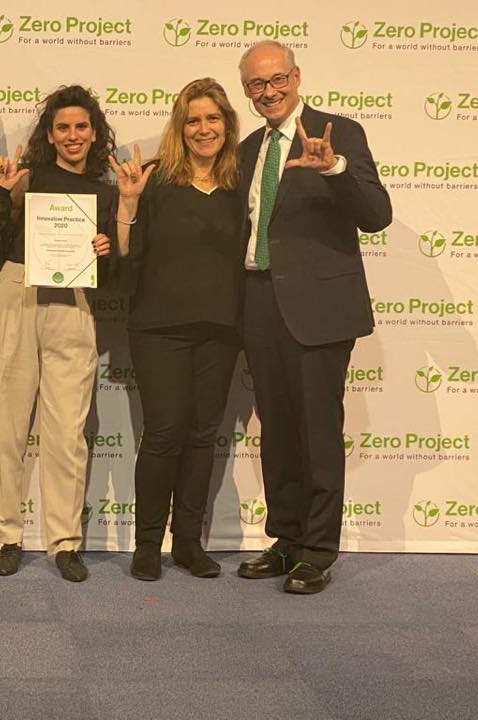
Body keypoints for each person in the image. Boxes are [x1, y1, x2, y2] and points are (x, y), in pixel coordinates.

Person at [235, 41, 391, 594]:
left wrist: (336, 169)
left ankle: (317, 552)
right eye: (256, 84)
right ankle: (287, 539)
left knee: (317, 431)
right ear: (247, 90)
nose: (268, 91)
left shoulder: (337, 133)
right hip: (259, 301)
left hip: (319, 310)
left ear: (297, 76)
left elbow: (376, 215)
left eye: (277, 79)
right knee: (276, 430)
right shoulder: (250, 146)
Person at [0, 85, 119, 582]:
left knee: (67, 433)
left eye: (81, 126)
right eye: (63, 127)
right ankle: (8, 536)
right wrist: (0, 192)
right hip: (16, 290)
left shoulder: (108, 190)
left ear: (94, 132)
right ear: (50, 134)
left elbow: (119, 272)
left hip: (73, 303)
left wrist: (107, 248)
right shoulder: (27, 178)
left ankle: (64, 542)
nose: (73, 135)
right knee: (7, 427)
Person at [110, 78, 243, 582]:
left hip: (222, 329)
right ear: (179, 126)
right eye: (193, 120)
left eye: (212, 119)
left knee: (202, 434)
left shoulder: (239, 181)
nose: (203, 129)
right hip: (158, 327)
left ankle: (188, 542)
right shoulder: (155, 180)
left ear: (227, 124)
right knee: (164, 432)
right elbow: (125, 258)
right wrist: (127, 207)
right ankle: (148, 545)